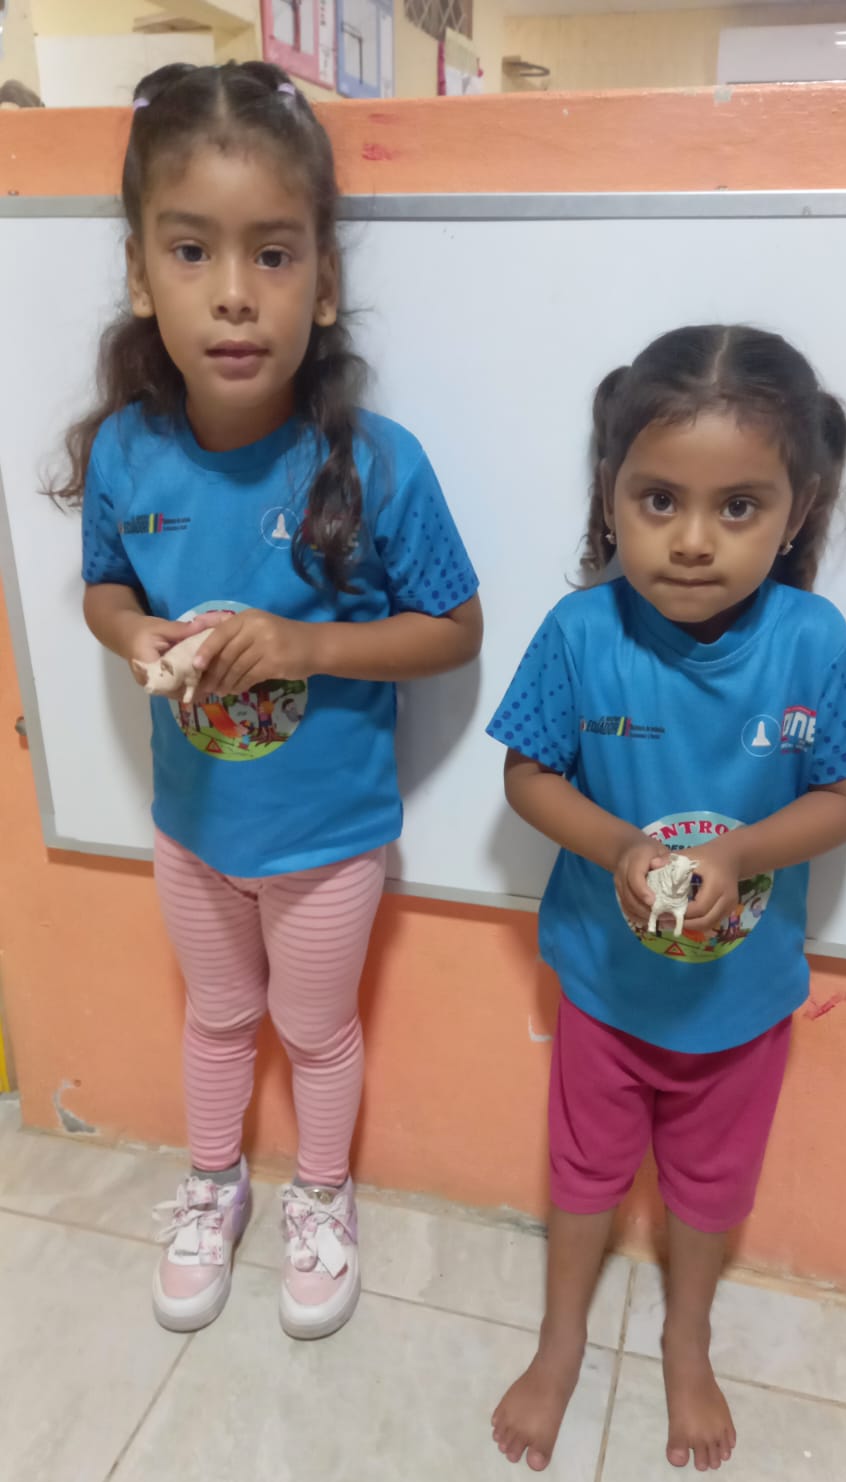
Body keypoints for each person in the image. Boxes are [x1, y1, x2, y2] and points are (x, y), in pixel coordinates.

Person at [59, 61, 482, 1338]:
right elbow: (103, 586)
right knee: (218, 1018)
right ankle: (213, 1185)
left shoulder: (377, 464)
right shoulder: (128, 450)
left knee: (314, 1027)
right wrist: (132, 635)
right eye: (192, 250)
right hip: (192, 830)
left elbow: (455, 630)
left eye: (275, 254)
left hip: (327, 839)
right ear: (142, 274)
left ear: (325, 282)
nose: (234, 292)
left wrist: (307, 647)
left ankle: (323, 1194)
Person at [487, 325, 846, 1474]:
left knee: (711, 1186)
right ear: (610, 494)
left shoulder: (815, 644)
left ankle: (688, 1339)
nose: (692, 540)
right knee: (584, 1172)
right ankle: (560, 1338)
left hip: (742, 999)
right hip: (604, 987)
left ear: (798, 511)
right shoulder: (580, 633)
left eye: (739, 506)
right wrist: (620, 845)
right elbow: (526, 776)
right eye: (659, 499)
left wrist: (744, 849)